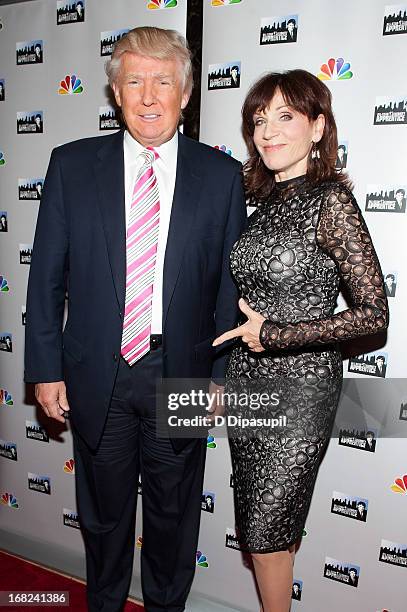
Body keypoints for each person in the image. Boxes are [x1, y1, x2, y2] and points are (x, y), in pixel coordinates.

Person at [25, 26, 246, 612]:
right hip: (100, 373)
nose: (149, 96)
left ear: (187, 93)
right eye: (134, 82)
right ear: (116, 94)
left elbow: (229, 286)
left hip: (182, 375)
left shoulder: (222, 178)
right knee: (103, 520)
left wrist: (220, 377)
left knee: (174, 523)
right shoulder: (71, 166)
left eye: (164, 81)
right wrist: (45, 369)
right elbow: (45, 278)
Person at [213, 69, 388, 612]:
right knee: (268, 528)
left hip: (302, 386)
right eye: (259, 120)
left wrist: (280, 334)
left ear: (317, 127)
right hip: (246, 380)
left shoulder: (331, 201)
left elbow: (373, 314)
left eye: (285, 116)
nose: (268, 132)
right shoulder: (259, 203)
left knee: (265, 532)